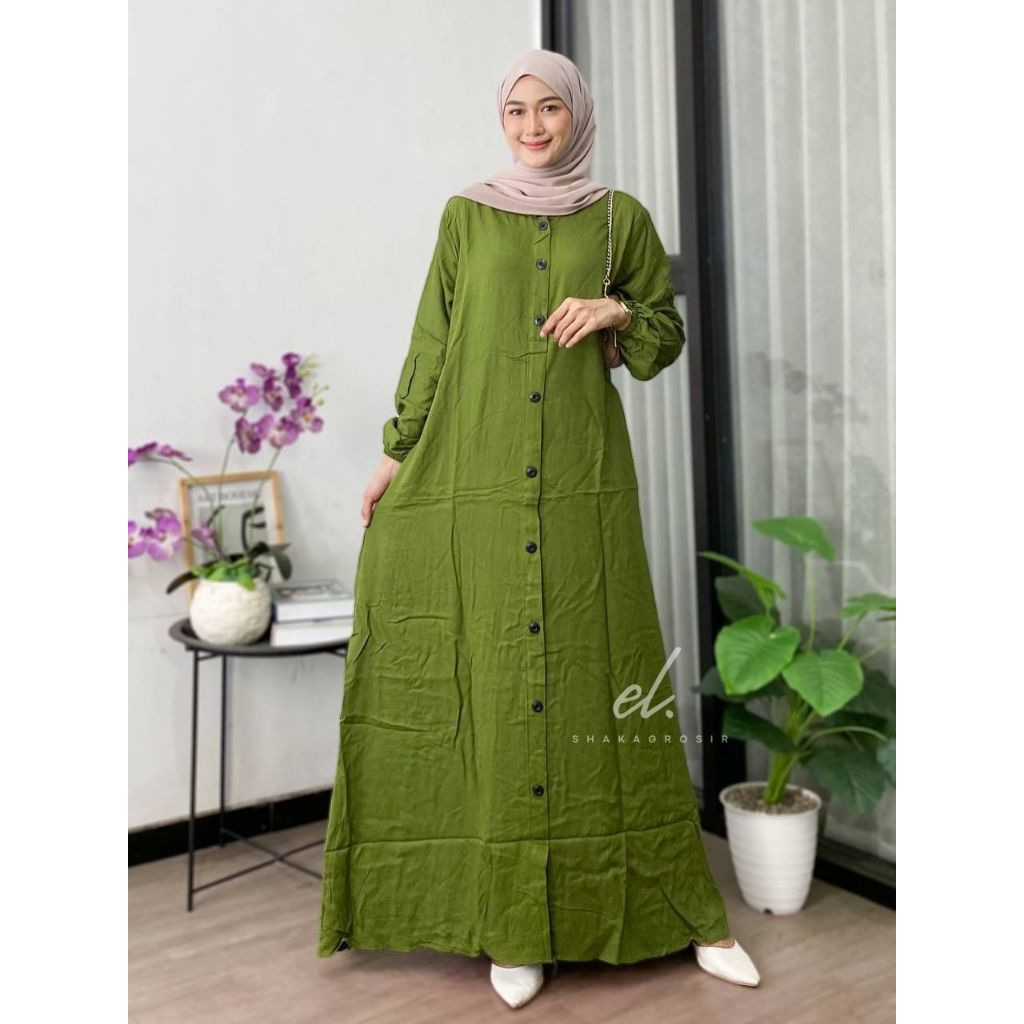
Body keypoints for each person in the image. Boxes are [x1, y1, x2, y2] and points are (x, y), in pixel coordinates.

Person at [317, 48, 761, 1010]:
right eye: (516, 110)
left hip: (579, 484)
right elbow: (434, 338)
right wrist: (397, 451)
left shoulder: (617, 218)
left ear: (577, 114)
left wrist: (615, 310)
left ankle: (685, 912)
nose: (531, 126)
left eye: (548, 108)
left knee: (601, 671)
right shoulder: (465, 215)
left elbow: (662, 339)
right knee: (488, 677)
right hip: (473, 475)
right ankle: (513, 925)